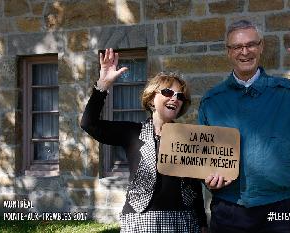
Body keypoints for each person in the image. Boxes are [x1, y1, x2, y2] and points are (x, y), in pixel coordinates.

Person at [199, 20, 290, 233]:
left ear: (261, 46)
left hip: (279, 208)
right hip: (228, 209)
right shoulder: (211, 101)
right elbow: (204, 156)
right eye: (237, 47)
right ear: (229, 52)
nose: (245, 52)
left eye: (251, 44)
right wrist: (208, 179)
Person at [81, 48, 208, 232]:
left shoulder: (188, 138)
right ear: (151, 99)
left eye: (180, 96)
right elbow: (88, 123)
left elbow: (194, 185)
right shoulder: (132, 132)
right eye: (168, 92)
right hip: (140, 221)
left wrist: (202, 222)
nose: (175, 98)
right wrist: (103, 85)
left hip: (183, 221)